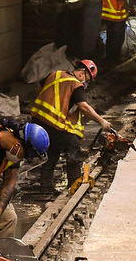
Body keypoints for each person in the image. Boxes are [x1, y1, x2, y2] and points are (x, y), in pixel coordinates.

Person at [30, 60, 112, 193]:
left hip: (37, 120)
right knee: (73, 146)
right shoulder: (75, 84)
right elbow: (84, 107)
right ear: (81, 73)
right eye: (87, 79)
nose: (85, 83)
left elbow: (39, 88)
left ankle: (45, 186)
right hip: (52, 121)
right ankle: (74, 186)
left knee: (52, 150)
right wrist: (101, 121)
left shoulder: (55, 74)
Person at [101, 0, 133, 65]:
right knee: (117, 40)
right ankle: (115, 60)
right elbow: (122, 2)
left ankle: (109, 58)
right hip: (117, 19)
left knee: (110, 38)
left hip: (108, 18)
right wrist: (130, 9)